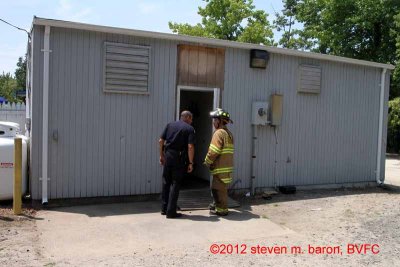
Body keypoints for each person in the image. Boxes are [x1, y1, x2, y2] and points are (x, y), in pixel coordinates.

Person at [159, 111, 195, 218]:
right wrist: (190, 162)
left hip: (168, 155)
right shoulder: (189, 129)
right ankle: (171, 212)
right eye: (191, 119)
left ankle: (164, 209)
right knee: (175, 183)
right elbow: (190, 147)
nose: (192, 121)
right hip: (178, 158)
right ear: (188, 117)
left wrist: (161, 155)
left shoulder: (170, 125)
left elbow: (160, 141)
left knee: (166, 182)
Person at [204, 108, 234, 216]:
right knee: (221, 189)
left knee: (218, 190)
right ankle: (218, 206)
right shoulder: (228, 134)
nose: (213, 122)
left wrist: (207, 161)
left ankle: (221, 210)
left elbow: (214, 151)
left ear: (219, 121)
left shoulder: (218, 133)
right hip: (226, 168)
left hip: (219, 168)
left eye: (214, 120)